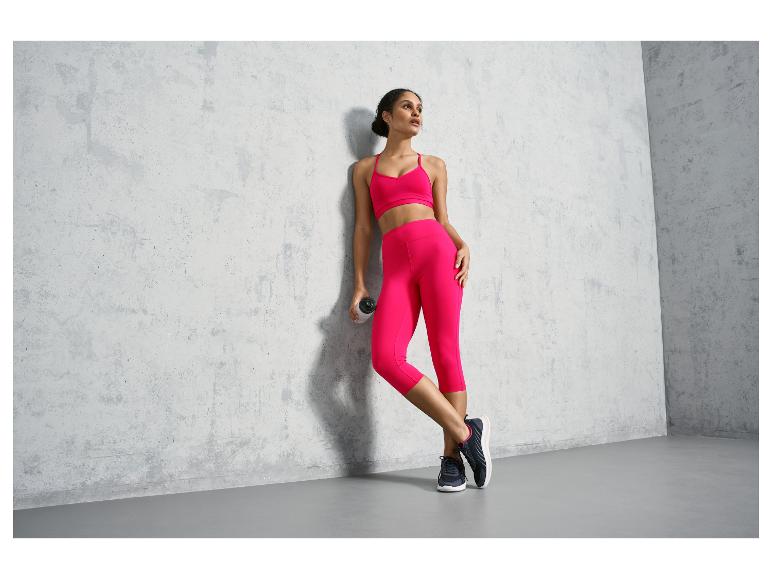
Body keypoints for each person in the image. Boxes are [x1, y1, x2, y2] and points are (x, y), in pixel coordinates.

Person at [349, 89, 492, 491]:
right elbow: (363, 228)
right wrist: (360, 282)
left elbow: (442, 219)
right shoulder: (364, 169)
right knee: (386, 359)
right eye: (407, 106)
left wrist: (463, 244)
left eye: (420, 109)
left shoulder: (433, 164)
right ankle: (465, 432)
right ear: (386, 115)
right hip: (396, 269)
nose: (416, 114)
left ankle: (451, 461)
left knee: (445, 353)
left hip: (439, 257)